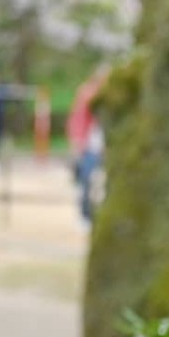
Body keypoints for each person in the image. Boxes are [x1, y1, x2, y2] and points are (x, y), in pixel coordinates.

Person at [67, 68, 108, 225]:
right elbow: (78, 119)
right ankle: (85, 214)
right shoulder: (86, 94)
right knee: (86, 180)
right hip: (90, 144)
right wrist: (77, 141)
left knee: (100, 182)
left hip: (103, 144)